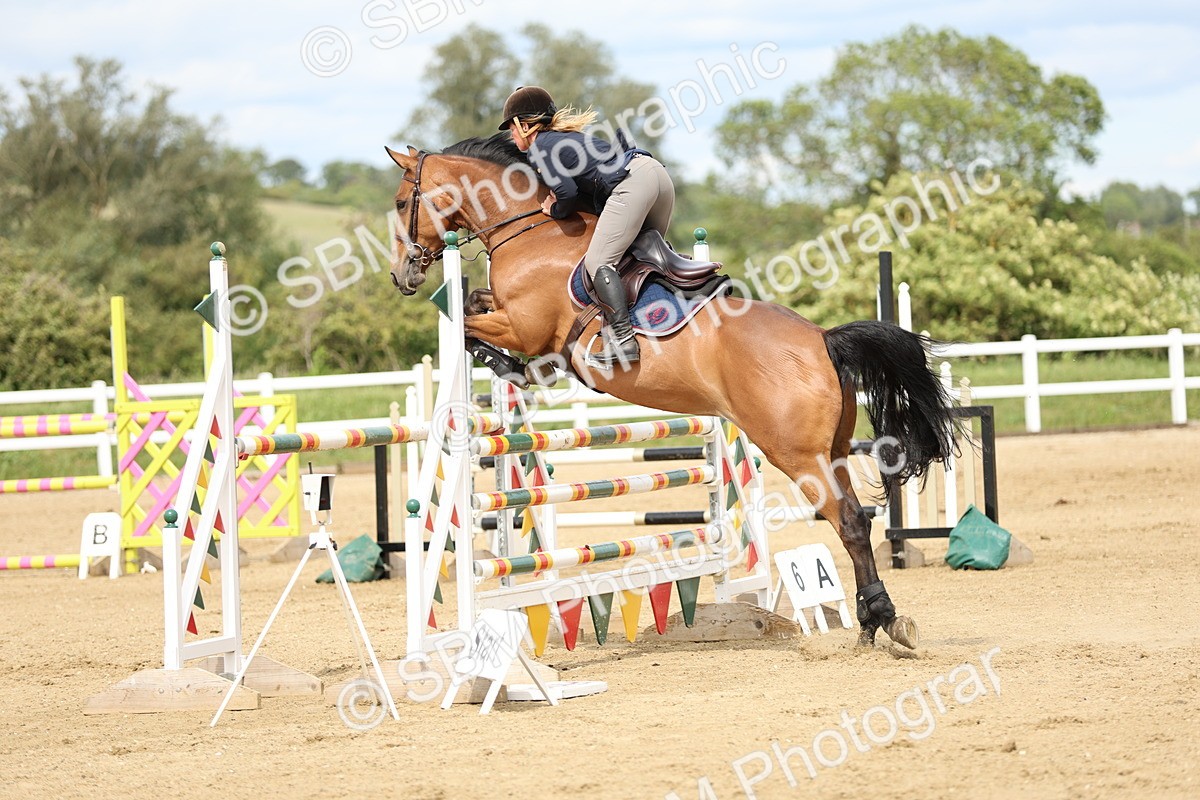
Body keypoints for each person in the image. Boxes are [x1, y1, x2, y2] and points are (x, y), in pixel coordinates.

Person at [499, 86, 675, 367]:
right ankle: (668, 317)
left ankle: (624, 341)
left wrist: (552, 208)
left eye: (512, 127)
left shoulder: (540, 146)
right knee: (643, 258)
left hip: (634, 182)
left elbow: (566, 194)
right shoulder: (565, 138)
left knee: (599, 262)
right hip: (657, 175)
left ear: (525, 124)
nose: (511, 135)